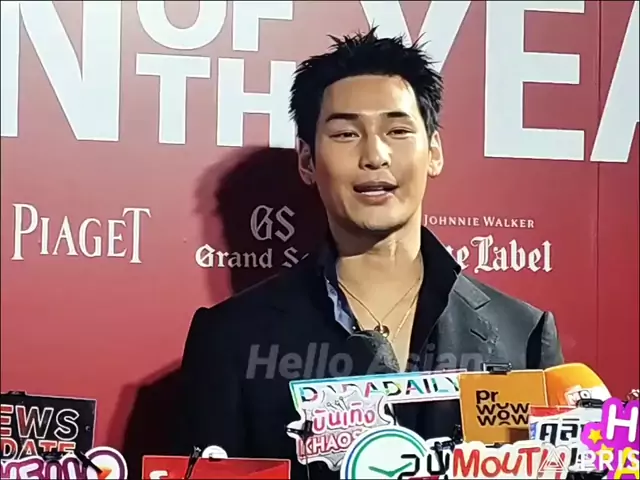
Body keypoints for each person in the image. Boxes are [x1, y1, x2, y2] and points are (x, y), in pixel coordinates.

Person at [178, 29, 563, 477]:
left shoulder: (523, 335)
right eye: (345, 133)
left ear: (434, 152)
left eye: (397, 131)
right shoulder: (231, 339)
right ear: (307, 160)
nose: (375, 155)